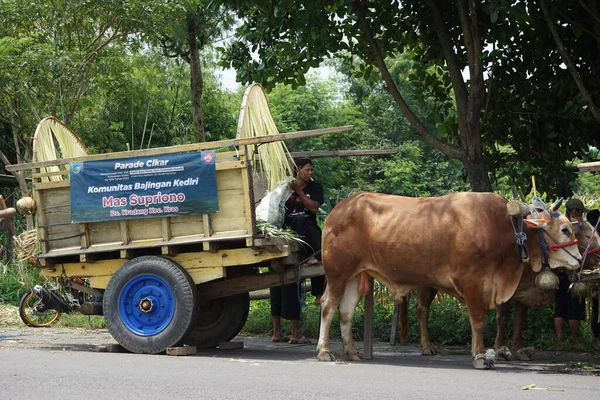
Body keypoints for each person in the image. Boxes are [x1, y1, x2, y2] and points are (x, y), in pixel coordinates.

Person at [269, 157, 325, 344]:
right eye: (307, 170)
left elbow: (314, 208)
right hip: (287, 231)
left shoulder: (315, 188)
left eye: (312, 170)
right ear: (298, 169)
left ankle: (318, 293)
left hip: (307, 229)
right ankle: (277, 332)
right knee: (278, 286)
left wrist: (299, 191)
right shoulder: (284, 187)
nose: (311, 173)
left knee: (319, 245)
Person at [554, 198, 588, 344]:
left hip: (559, 272)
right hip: (572, 273)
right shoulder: (575, 228)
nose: (581, 215)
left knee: (560, 307)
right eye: (579, 211)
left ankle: (560, 340)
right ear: (574, 211)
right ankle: (576, 340)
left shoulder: (558, 227)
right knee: (575, 306)